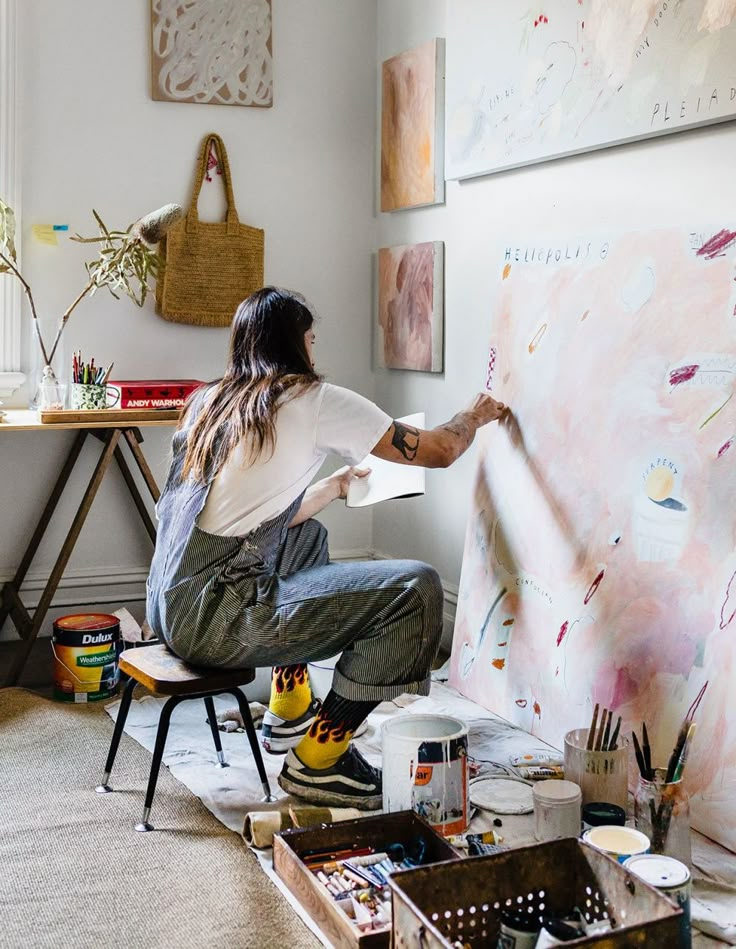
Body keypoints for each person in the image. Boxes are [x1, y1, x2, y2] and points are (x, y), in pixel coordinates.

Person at [146, 287, 506, 809]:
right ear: (296, 344)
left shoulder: (212, 400)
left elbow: (252, 516)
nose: (314, 351)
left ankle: (289, 707)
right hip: (218, 621)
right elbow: (440, 450)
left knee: (306, 535)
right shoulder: (310, 399)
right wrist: (472, 415)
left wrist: (334, 487)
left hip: (171, 605)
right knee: (417, 588)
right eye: (310, 339)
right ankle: (321, 758)